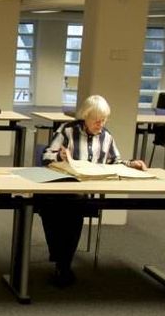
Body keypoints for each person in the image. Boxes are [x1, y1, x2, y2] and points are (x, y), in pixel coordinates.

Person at [38, 94, 147, 287]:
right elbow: (47, 156)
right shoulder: (67, 131)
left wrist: (132, 164)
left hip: (81, 193)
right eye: (96, 120)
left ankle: (63, 264)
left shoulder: (106, 137)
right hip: (58, 187)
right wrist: (61, 157)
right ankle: (60, 259)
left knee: (74, 212)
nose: (100, 124)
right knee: (50, 208)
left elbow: (116, 162)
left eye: (103, 120)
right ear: (85, 116)